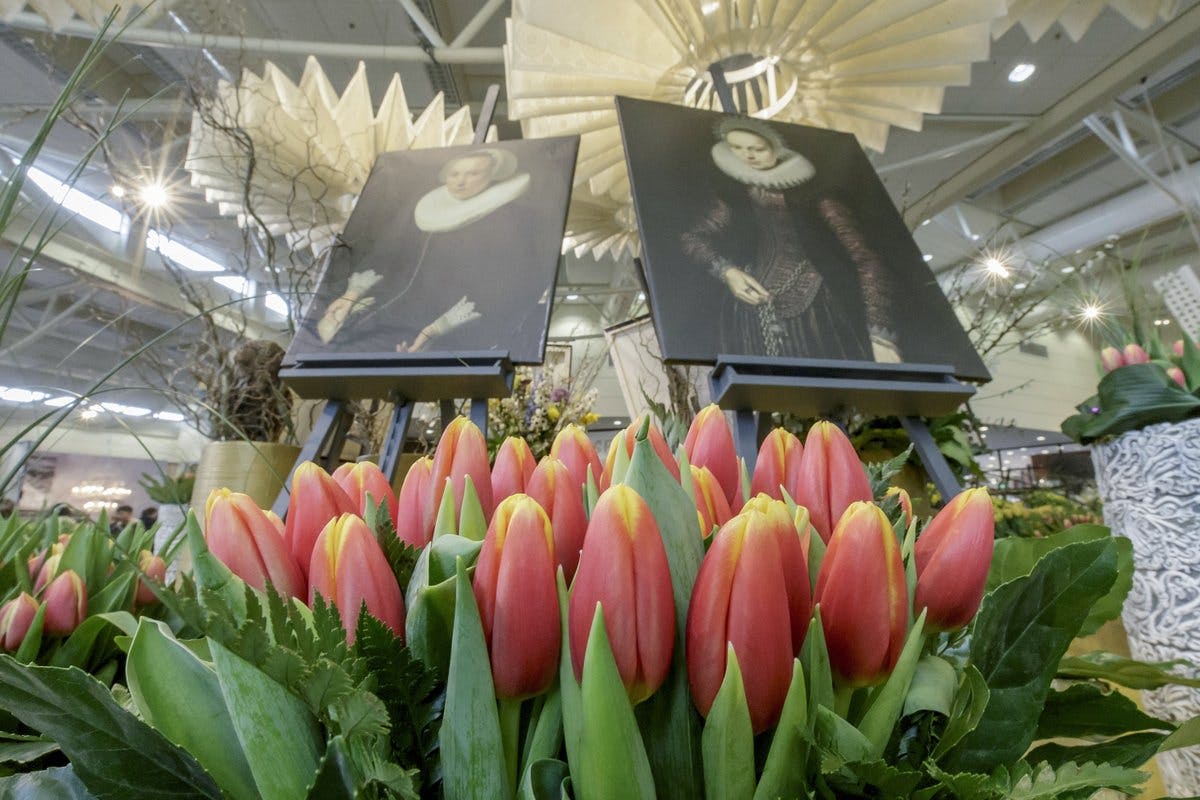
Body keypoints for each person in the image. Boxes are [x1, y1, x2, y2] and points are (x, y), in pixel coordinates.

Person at [681, 117, 900, 362]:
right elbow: (692, 238)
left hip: (818, 314)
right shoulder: (733, 196)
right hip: (747, 322)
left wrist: (880, 336)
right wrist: (729, 272)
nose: (748, 156)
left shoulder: (815, 198)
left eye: (758, 149)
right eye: (738, 148)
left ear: (779, 149)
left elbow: (865, 258)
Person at [304, 147, 547, 358]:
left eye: (473, 173)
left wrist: (435, 329)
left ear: (491, 175)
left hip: (432, 331)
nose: (461, 181)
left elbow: (506, 286)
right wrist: (351, 294)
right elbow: (389, 252)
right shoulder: (421, 208)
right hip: (383, 313)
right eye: (455, 173)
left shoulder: (507, 221)